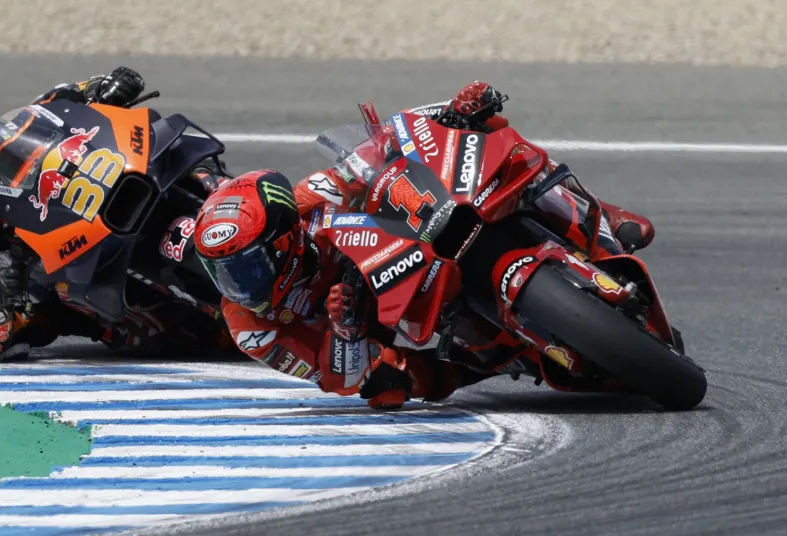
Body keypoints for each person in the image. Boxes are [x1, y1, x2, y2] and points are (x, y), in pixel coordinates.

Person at [192, 82, 656, 409]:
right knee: (396, 386)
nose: (239, 286)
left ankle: (597, 210)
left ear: (284, 238)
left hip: (412, 244)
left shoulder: (310, 197)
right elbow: (339, 377)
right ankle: (502, 353)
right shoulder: (249, 326)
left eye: (248, 267)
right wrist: (348, 331)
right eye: (225, 273)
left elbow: (383, 147)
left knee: (491, 132)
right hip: (380, 330)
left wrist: (452, 111)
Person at [0, 67, 210, 359]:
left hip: (30, 220)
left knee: (151, 157)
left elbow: (36, 119)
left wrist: (95, 91)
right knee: (123, 323)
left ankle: (208, 185)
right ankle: (201, 327)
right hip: (19, 296)